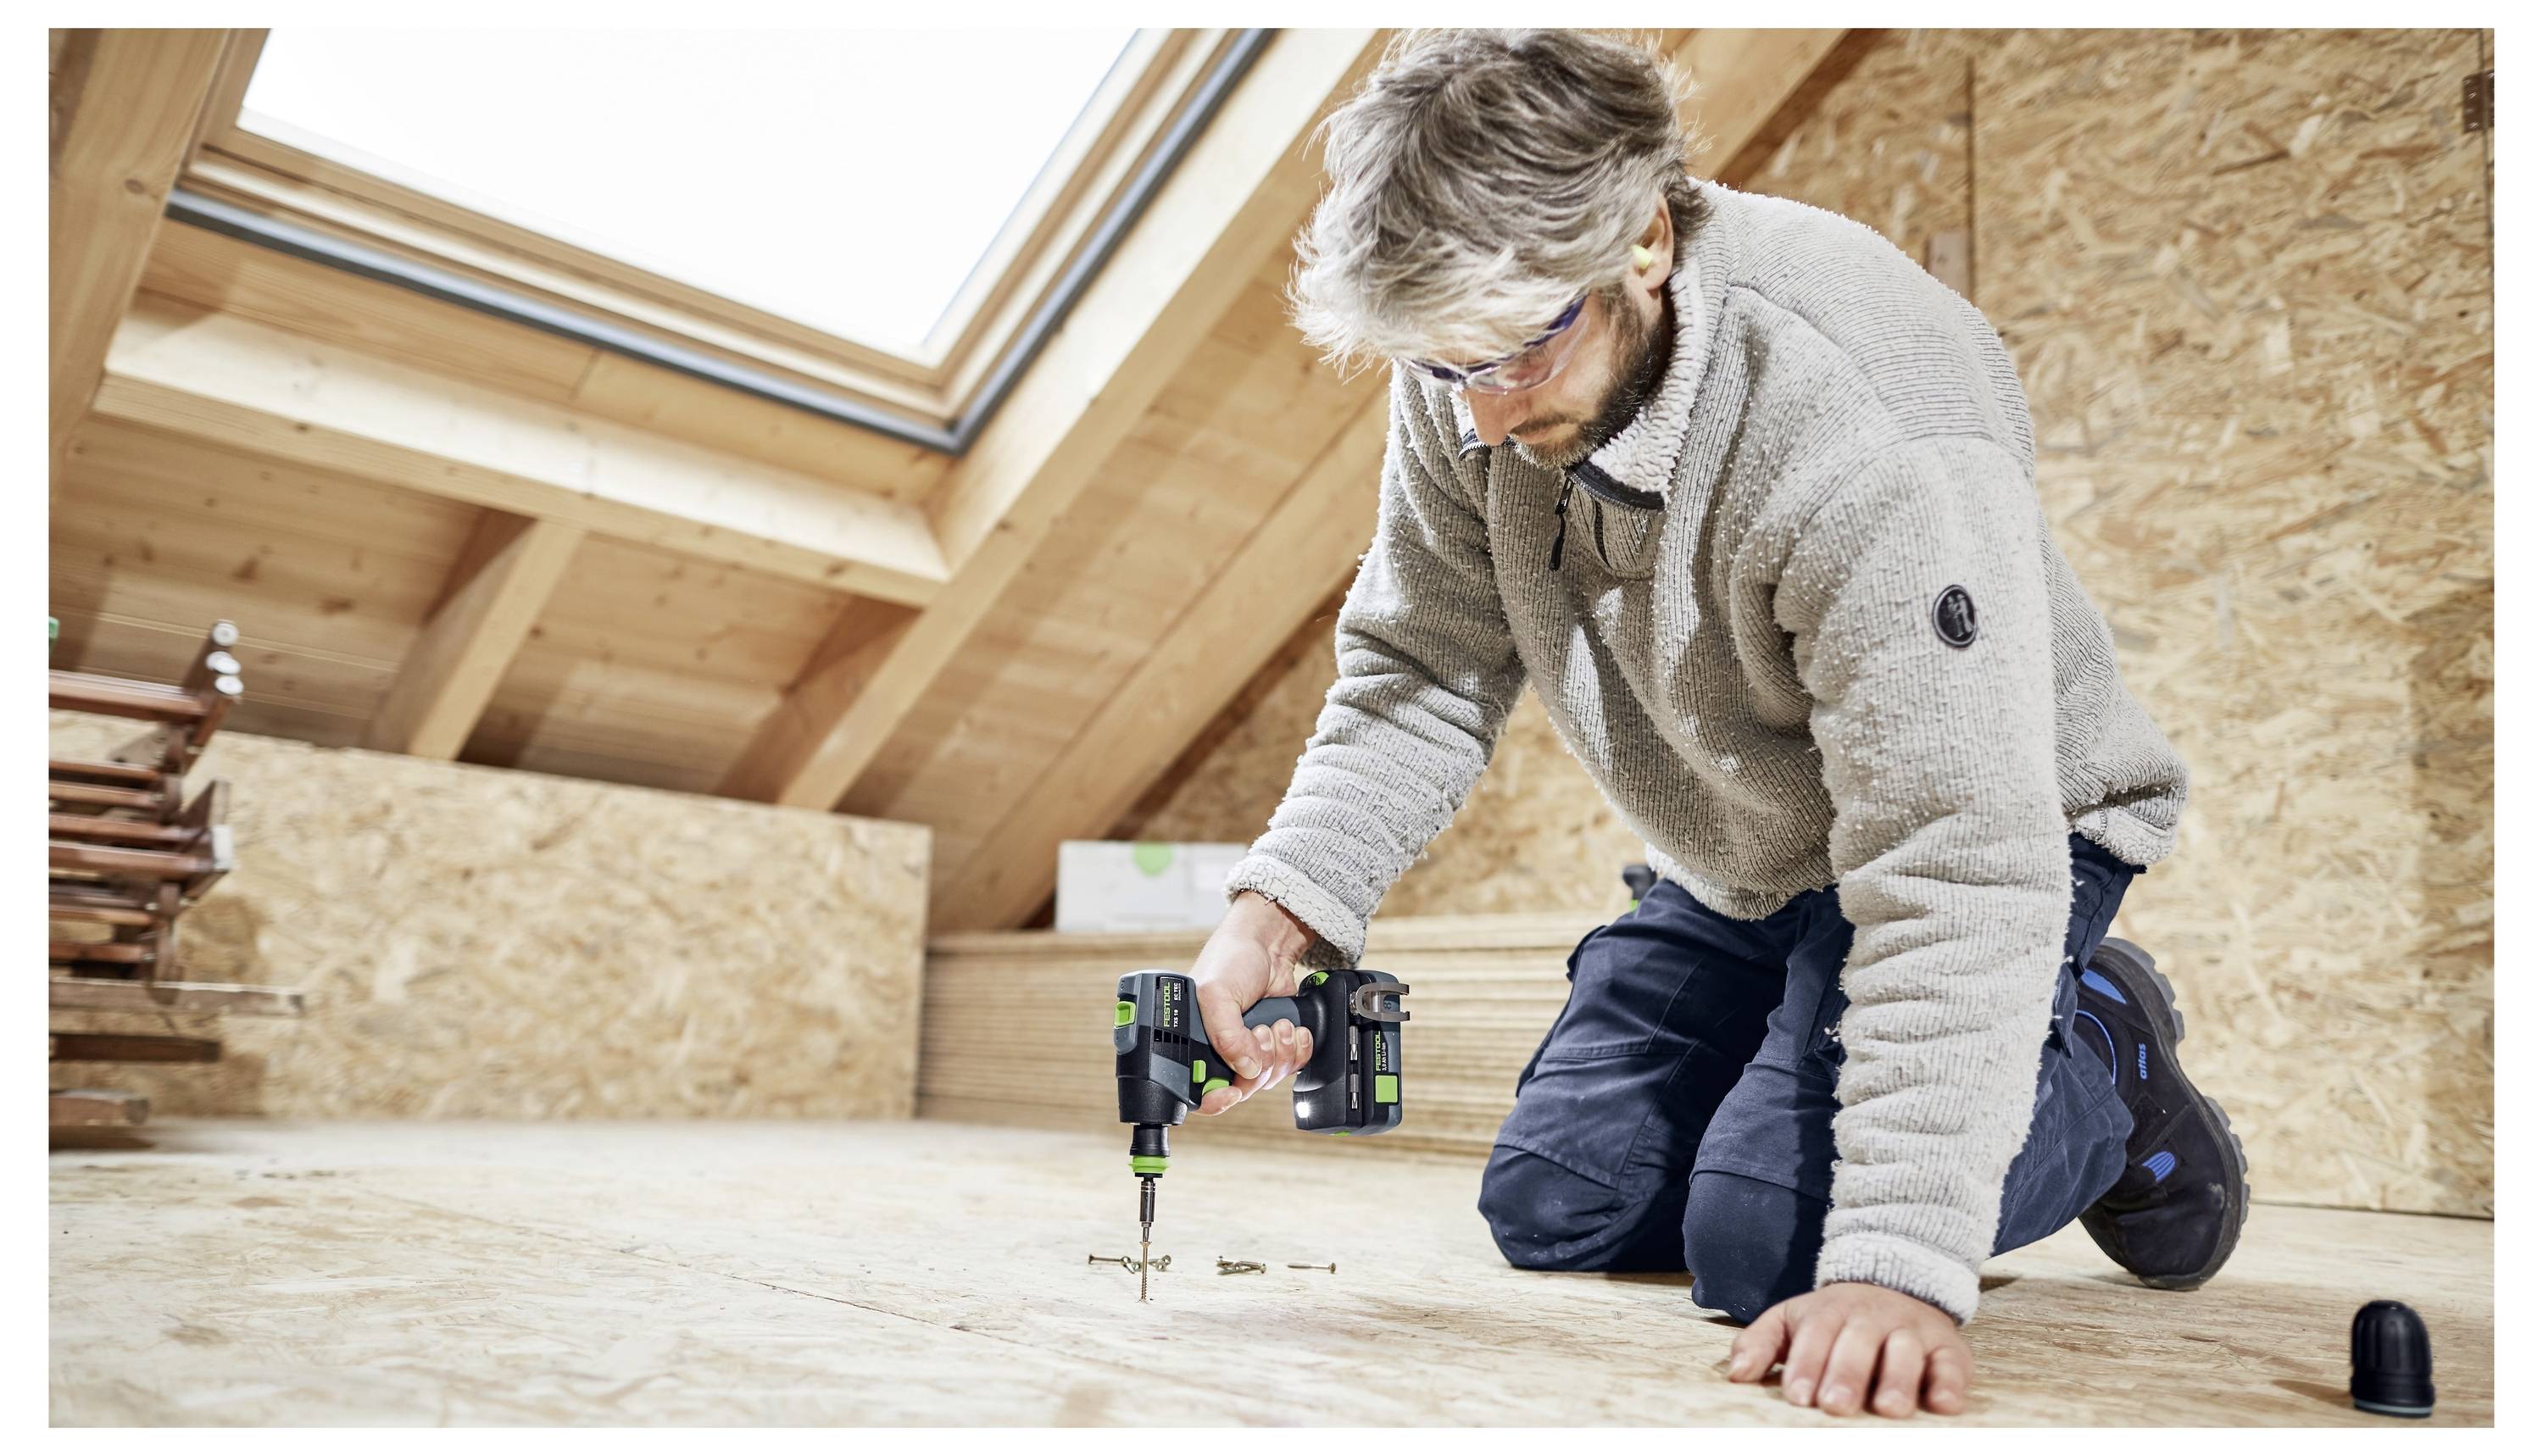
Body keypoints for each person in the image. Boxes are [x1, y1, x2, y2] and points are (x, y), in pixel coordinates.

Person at [1182, 29, 2248, 1419]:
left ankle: (2103, 1039)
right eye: (1446, 371)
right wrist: (1287, 907)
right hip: (1751, 848)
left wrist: (1903, 1261)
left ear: (1641, 240)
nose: (1485, 421)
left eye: (1513, 354)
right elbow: (1423, 662)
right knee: (1556, 1203)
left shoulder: (1869, 419)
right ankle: (1815, 1067)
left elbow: (1953, 852)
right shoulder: (1472, 357)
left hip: (1992, 832)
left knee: (1776, 1247)